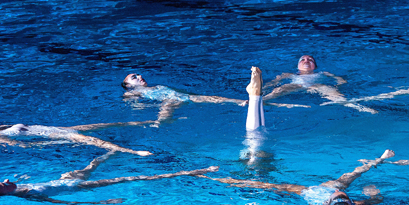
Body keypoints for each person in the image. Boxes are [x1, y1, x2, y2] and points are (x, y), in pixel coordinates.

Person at [197, 149, 394, 205]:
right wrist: (372, 192)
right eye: (344, 195)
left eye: (339, 195)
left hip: (304, 191)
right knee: (353, 174)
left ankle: (211, 177)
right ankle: (380, 159)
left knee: (262, 186)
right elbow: (377, 200)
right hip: (325, 188)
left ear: (329, 201)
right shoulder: (352, 203)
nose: (340, 192)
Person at [0, 150, 219, 204]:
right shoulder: (31, 196)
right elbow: (66, 203)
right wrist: (102, 202)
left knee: (95, 161)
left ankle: (116, 149)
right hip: (77, 186)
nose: (5, 180)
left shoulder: (19, 186)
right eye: (2, 184)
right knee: (134, 178)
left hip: (65, 178)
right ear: (4, 192)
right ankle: (194, 172)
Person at [123, 73, 306, 124]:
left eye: (138, 75)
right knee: (165, 114)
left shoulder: (156, 86)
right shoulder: (131, 92)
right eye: (134, 78)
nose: (139, 77)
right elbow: (133, 103)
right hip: (169, 101)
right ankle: (159, 123)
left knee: (212, 98)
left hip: (180, 97)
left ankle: (239, 102)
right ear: (129, 85)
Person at [0, 115, 153, 156]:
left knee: (107, 122)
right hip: (58, 136)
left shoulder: (2, 127)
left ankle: (145, 121)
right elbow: (26, 146)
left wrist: (66, 129)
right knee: (94, 141)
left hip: (62, 128)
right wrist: (58, 140)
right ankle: (133, 152)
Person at [263, 55, 377, 114]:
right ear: (298, 65)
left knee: (333, 94)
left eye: (310, 60)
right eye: (302, 59)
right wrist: (264, 88)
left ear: (315, 66)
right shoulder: (288, 74)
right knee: (279, 89)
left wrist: (337, 86)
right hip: (296, 85)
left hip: (316, 86)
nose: (306, 61)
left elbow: (340, 80)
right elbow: (273, 83)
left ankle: (358, 107)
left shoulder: (323, 73)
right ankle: (260, 99)